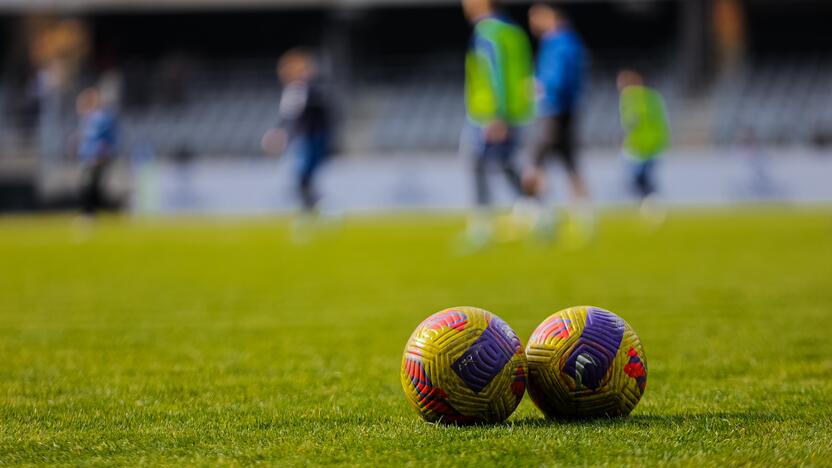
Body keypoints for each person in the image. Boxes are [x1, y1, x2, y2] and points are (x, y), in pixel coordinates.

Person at [461, 0, 536, 247]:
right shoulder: (514, 32)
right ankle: (537, 212)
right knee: (506, 163)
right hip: (516, 110)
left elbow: (494, 73)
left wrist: (496, 114)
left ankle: (482, 226)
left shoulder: (487, 32)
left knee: (476, 163)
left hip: (490, 113)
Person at [525, 4, 591, 239]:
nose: (532, 21)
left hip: (554, 110)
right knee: (570, 164)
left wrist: (539, 86)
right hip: (566, 109)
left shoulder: (559, 42)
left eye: (536, 15)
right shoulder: (568, 41)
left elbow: (558, 78)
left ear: (550, 14)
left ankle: (541, 215)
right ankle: (584, 220)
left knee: (535, 162)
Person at [262, 48, 334, 214]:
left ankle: (320, 208)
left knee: (303, 177)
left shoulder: (302, 88)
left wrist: (280, 133)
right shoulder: (306, 89)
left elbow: (292, 114)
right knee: (303, 178)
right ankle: (313, 210)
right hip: (310, 138)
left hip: (310, 138)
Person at [616, 69, 670, 219]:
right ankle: (652, 203)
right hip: (656, 143)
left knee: (637, 179)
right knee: (643, 179)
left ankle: (652, 204)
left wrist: (625, 141)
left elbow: (631, 123)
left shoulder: (631, 99)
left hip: (640, 146)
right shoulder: (653, 97)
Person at [76, 87, 118, 218]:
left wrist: (100, 156)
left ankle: (89, 214)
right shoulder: (90, 119)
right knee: (90, 186)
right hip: (89, 157)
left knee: (89, 185)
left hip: (96, 158)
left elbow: (106, 139)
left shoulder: (101, 118)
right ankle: (92, 213)